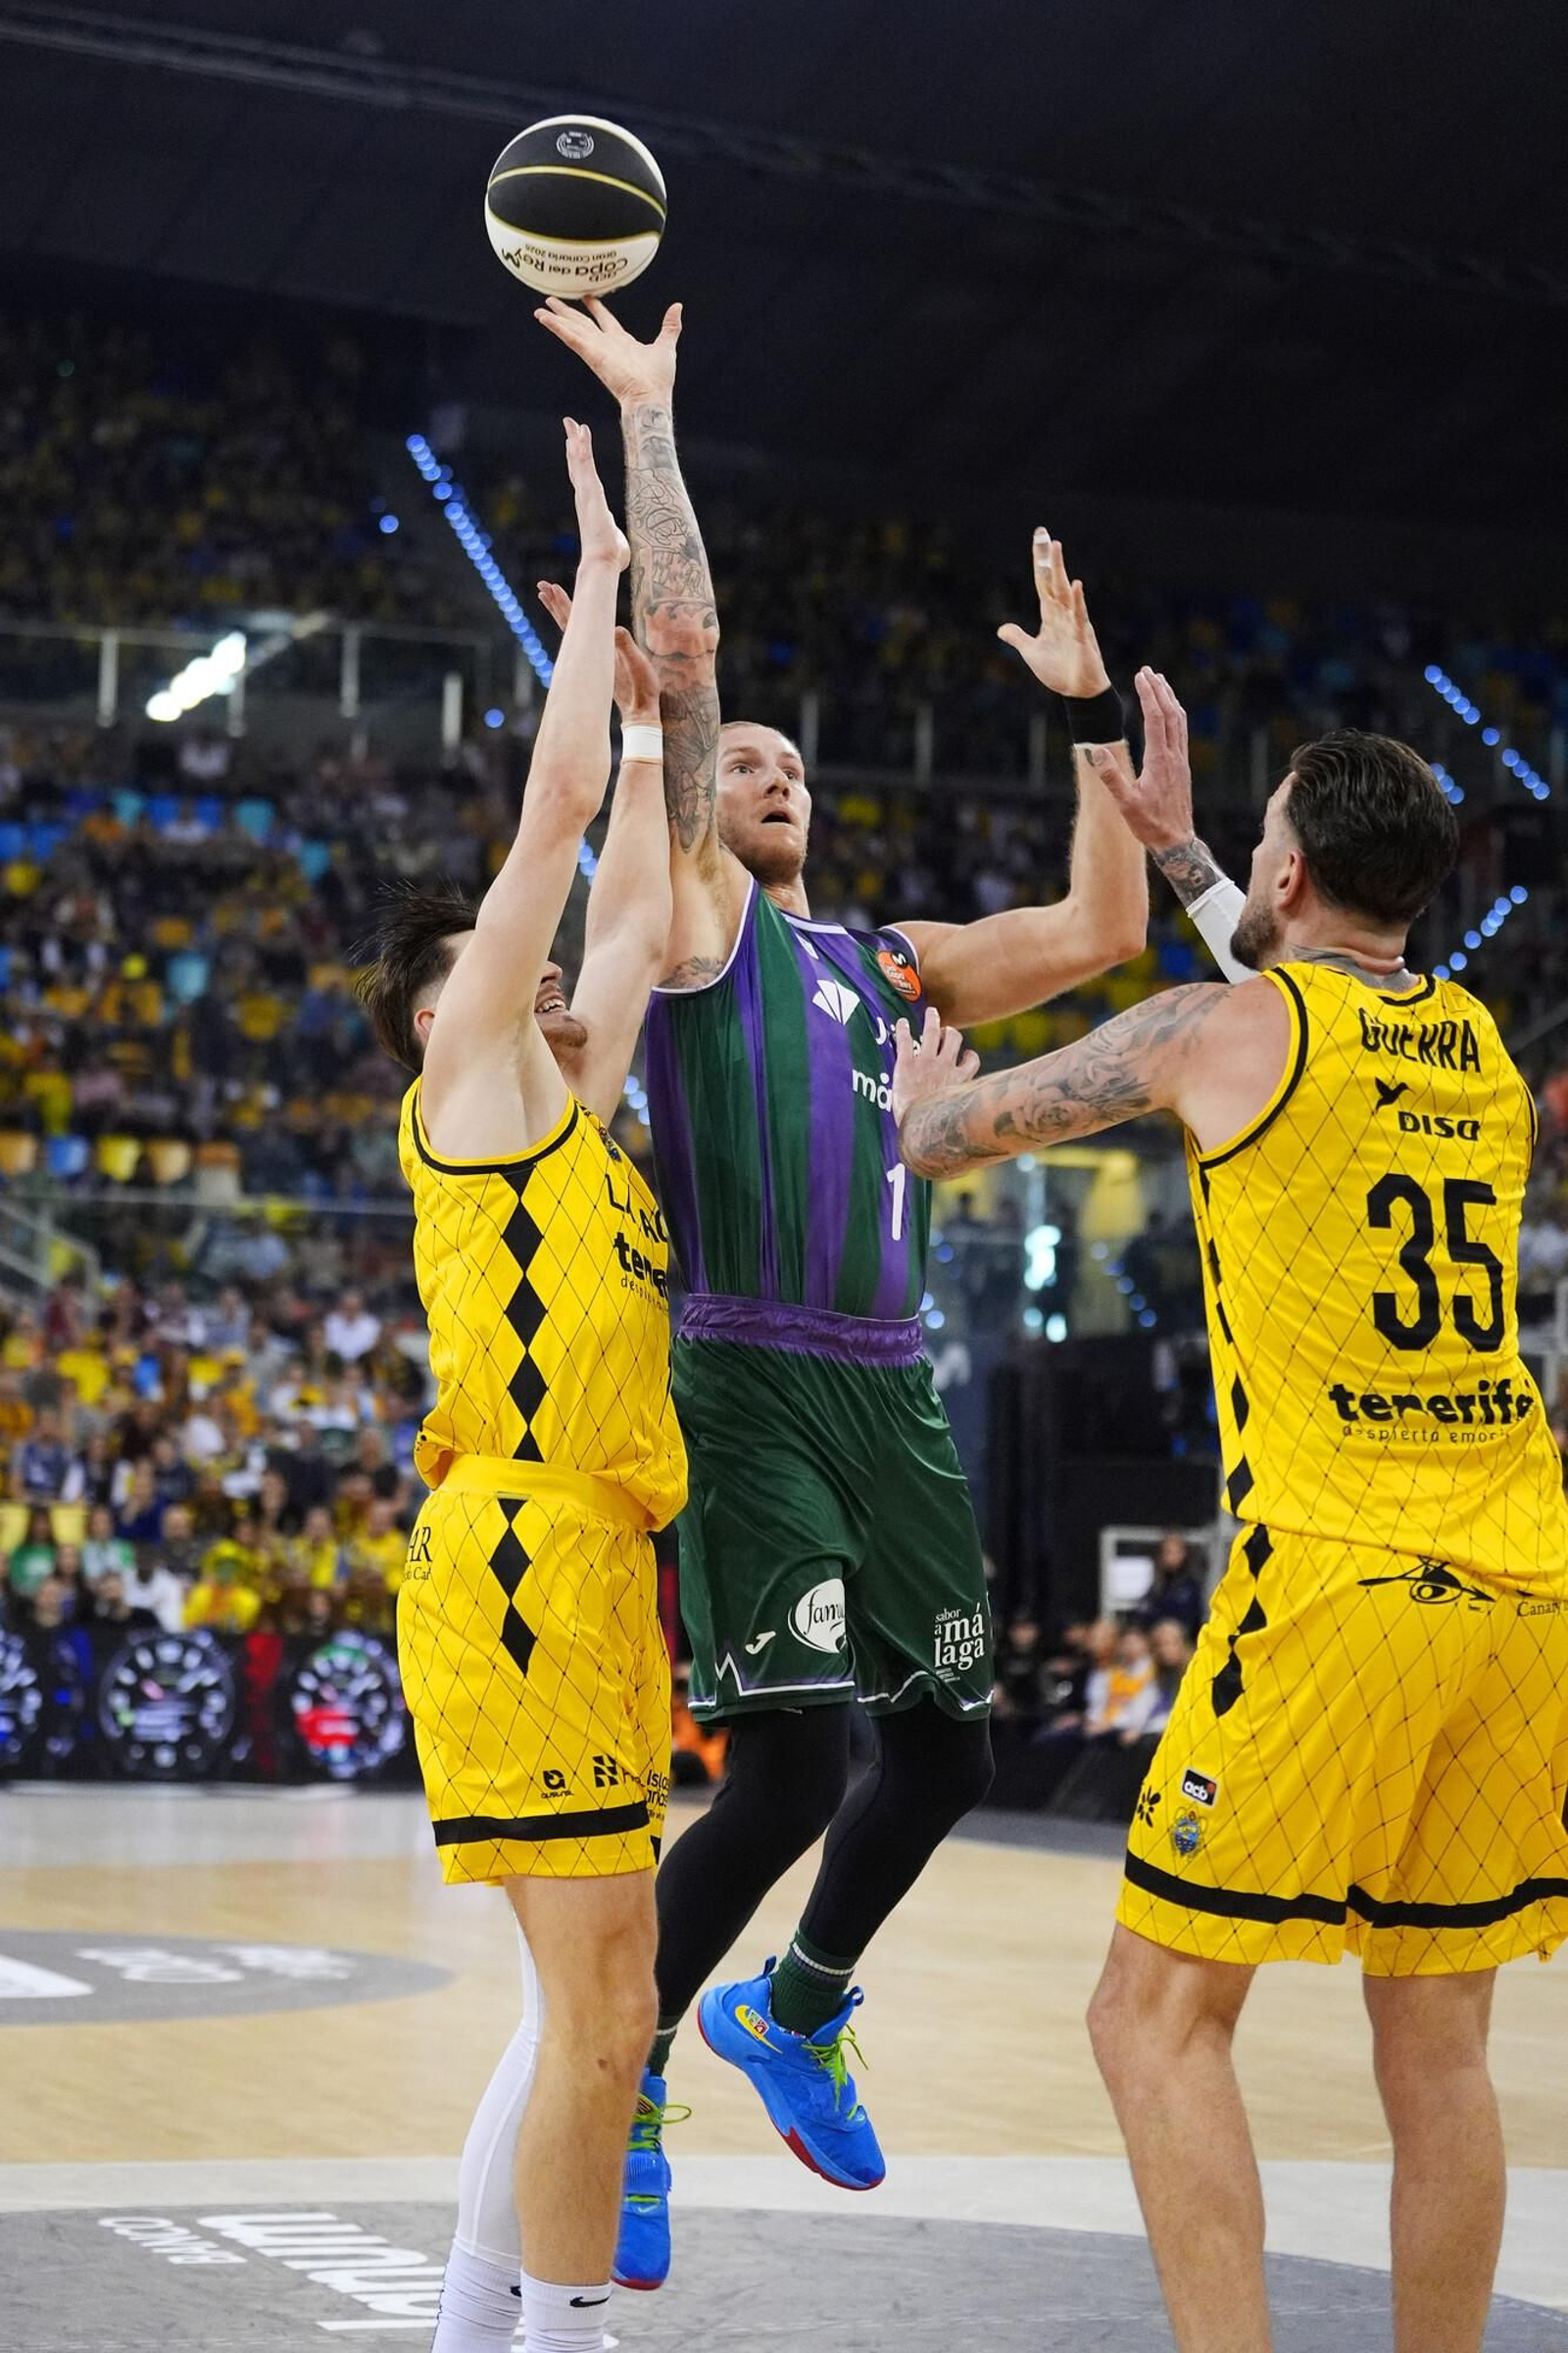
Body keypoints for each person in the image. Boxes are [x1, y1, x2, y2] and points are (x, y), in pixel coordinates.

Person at [537, 290, 1150, 2288]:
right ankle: (626, 2073)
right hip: (744, 1371)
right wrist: (654, 422)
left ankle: (791, 2008)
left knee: (952, 1747)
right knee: (789, 1756)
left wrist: (1075, 714)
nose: (777, 771)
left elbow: (1098, 926)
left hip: (892, 1379)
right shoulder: (699, 915)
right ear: (711, 803)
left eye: (803, 764)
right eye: (753, 760)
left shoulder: (887, 956)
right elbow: (693, 682)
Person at [892, 681, 1568, 2353]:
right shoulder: (1479, 1047)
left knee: (1153, 2018)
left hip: (1339, 1575)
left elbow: (950, 1136)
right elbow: (1315, 1003)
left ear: (1289, 878)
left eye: (1261, 845)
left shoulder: (1208, 1030)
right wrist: (1193, 846)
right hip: (1521, 1574)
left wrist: (911, 1090)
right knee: (1442, 2048)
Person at [353, 419, 685, 2353]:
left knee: (604, 2011)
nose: (555, 969)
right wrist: (590, 565)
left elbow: (631, 909)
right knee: (600, 2020)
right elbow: (554, 839)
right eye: (506, 962)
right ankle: (553, 2342)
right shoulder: (472, 1080)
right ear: (447, 1007)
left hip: (584, 1563)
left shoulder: (582, 1107)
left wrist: (653, 728)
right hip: (511, 1561)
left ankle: (500, 2335)